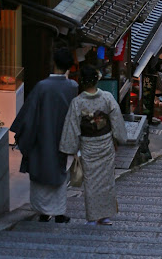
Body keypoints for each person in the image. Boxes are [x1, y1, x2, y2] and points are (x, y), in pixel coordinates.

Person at [10, 48, 78, 223]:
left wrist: (24, 135)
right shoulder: (72, 87)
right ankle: (60, 212)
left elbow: (29, 114)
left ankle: (43, 212)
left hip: (41, 136)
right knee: (60, 172)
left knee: (40, 172)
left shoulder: (42, 86)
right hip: (63, 137)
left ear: (54, 63)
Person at [59, 65, 127, 226]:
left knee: (91, 183)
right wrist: (118, 138)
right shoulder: (107, 98)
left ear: (81, 82)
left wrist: (72, 147)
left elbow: (73, 126)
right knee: (107, 181)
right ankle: (104, 216)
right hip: (105, 144)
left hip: (88, 145)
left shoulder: (78, 102)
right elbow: (116, 120)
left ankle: (92, 217)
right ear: (97, 80)